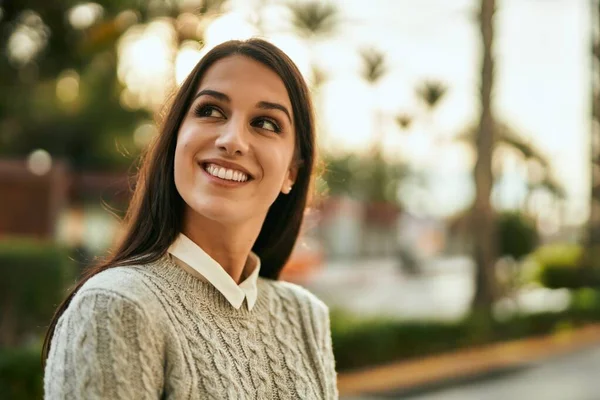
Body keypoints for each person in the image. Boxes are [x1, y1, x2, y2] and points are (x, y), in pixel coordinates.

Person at [42, 38, 338, 399]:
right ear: (176, 138)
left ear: (292, 171)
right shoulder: (115, 306)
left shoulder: (306, 318)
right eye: (211, 111)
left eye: (265, 122)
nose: (232, 140)